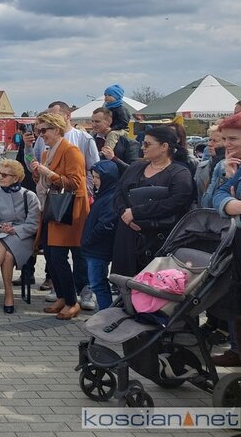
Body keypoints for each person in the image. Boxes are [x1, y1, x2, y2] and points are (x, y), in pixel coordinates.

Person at [212, 112, 241, 437]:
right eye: (225, 138)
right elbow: (215, 199)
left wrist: (233, 204)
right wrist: (238, 205)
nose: (227, 145)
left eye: (233, 139)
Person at [29, 101, 99, 306]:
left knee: (61, 256)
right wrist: (38, 174)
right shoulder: (46, 152)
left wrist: (48, 173)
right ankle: (62, 297)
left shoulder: (72, 151)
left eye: (44, 130)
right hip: (52, 208)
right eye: (39, 131)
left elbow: (76, 183)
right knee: (52, 256)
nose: (41, 135)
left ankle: (71, 301)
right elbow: (46, 181)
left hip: (69, 210)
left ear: (57, 129)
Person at [111, 125, 193, 278]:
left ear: (164, 147)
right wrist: (125, 214)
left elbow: (175, 203)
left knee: (152, 285)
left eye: (147, 144)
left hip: (157, 240)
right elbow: (118, 193)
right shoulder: (135, 167)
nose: (142, 147)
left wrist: (135, 213)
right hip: (127, 237)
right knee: (124, 282)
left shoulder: (180, 173)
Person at [0, 159, 41, 313]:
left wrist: (14, 230)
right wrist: (0, 228)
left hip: (23, 238)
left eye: (5, 175)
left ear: (16, 178)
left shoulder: (30, 196)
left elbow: (34, 224)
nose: (0, 177)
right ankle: (8, 294)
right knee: (6, 253)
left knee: (4, 246)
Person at [79, 160, 120, 310]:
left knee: (98, 284)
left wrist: (88, 240)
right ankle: (104, 315)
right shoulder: (104, 194)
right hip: (95, 248)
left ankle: (105, 316)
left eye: (98, 177)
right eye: (94, 177)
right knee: (97, 283)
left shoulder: (110, 197)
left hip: (99, 249)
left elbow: (105, 225)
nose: (94, 181)